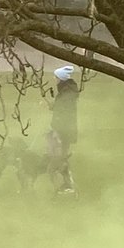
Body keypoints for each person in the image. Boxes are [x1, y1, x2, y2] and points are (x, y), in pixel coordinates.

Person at [48, 64, 79, 195]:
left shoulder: (66, 94)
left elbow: (64, 114)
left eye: (56, 78)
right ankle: (67, 185)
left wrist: (56, 131)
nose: (55, 80)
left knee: (59, 160)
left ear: (61, 79)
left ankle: (68, 186)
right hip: (65, 131)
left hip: (63, 132)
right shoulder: (67, 92)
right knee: (61, 158)